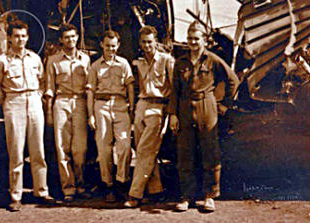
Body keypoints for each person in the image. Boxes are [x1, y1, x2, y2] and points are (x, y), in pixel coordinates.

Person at [168, 21, 239, 212]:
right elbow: (175, 90)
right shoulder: (180, 62)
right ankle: (186, 196)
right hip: (184, 106)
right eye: (190, 38)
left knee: (210, 151)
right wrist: (173, 114)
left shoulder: (213, 60)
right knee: (185, 152)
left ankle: (210, 195)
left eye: (196, 38)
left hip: (206, 105)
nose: (192, 42)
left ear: (204, 40)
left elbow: (233, 79)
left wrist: (225, 104)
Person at [0, 20, 53, 212]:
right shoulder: (1, 61)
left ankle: (41, 191)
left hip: (33, 100)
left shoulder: (34, 58)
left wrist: (37, 96)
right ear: (9, 38)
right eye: (16, 36)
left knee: (38, 150)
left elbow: (41, 81)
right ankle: (15, 195)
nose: (20, 40)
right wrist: (9, 102)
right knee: (16, 151)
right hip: (14, 102)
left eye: (23, 36)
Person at [124, 26, 174, 207]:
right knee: (143, 150)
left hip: (158, 106)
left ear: (156, 41)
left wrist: (172, 112)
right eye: (144, 42)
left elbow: (174, 88)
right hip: (142, 105)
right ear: (140, 43)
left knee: (145, 150)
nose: (147, 46)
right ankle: (155, 190)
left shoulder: (167, 60)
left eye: (150, 42)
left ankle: (135, 194)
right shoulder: (138, 62)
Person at [87, 30, 134, 202]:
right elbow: (91, 91)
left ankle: (122, 181)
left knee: (124, 143)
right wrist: (91, 114)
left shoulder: (124, 64)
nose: (111, 49)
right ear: (102, 45)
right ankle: (108, 185)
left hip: (120, 105)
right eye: (107, 46)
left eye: (114, 46)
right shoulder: (95, 66)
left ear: (118, 46)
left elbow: (129, 86)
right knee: (104, 147)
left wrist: (131, 107)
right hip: (101, 105)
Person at [45, 24, 91, 202]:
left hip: (79, 102)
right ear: (61, 40)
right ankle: (68, 188)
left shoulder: (85, 59)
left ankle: (81, 184)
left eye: (73, 37)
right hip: (61, 102)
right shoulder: (53, 60)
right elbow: (49, 88)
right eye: (66, 37)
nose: (70, 40)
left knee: (80, 148)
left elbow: (89, 87)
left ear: (77, 37)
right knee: (62, 147)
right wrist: (49, 112)